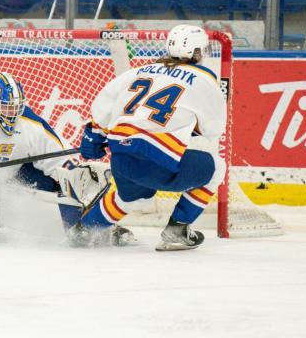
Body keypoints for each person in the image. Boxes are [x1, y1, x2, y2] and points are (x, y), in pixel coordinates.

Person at [0, 72, 134, 245]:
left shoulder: (31, 126)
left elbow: (65, 166)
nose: (13, 114)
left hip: (16, 173)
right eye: (6, 108)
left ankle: (91, 226)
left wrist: (79, 179)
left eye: (16, 107)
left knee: (68, 178)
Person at [76, 25, 227, 251]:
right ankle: (179, 229)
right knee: (217, 168)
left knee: (133, 198)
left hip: (122, 158)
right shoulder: (204, 79)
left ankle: (85, 229)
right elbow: (213, 129)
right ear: (197, 52)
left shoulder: (139, 71)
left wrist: (94, 137)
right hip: (158, 163)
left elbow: (104, 105)